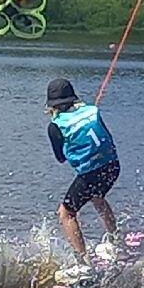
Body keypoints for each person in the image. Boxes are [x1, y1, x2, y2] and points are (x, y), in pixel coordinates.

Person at [46, 77, 119, 272]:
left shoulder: (55, 126)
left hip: (91, 173)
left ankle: (83, 263)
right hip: (113, 166)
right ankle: (115, 240)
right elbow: (106, 137)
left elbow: (61, 158)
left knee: (66, 213)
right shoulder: (92, 111)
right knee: (97, 197)